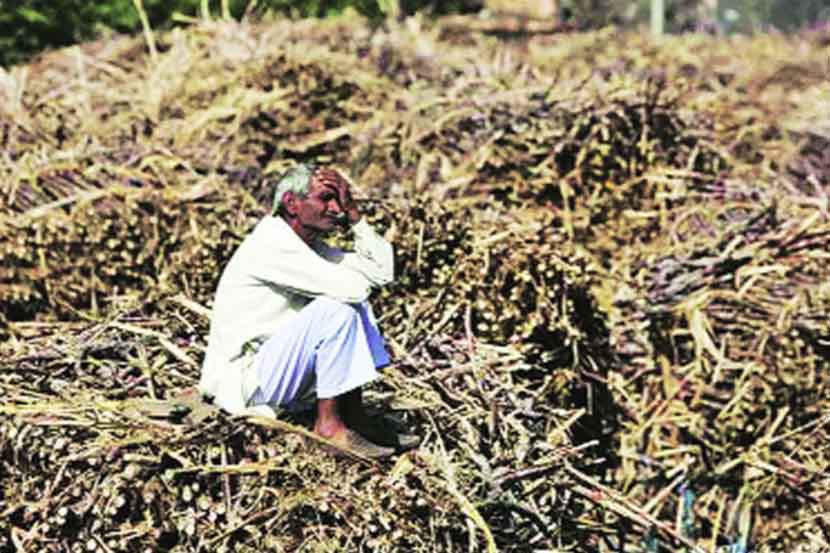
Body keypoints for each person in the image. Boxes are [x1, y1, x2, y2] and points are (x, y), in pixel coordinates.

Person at [199, 163, 416, 458]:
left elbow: (381, 273)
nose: (336, 209)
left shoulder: (310, 247)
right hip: (244, 383)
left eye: (339, 200)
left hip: (275, 371)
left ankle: (353, 415)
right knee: (338, 309)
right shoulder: (271, 244)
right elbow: (355, 288)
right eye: (326, 198)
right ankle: (328, 429)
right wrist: (356, 278)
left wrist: (355, 215)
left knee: (351, 303)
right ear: (292, 203)